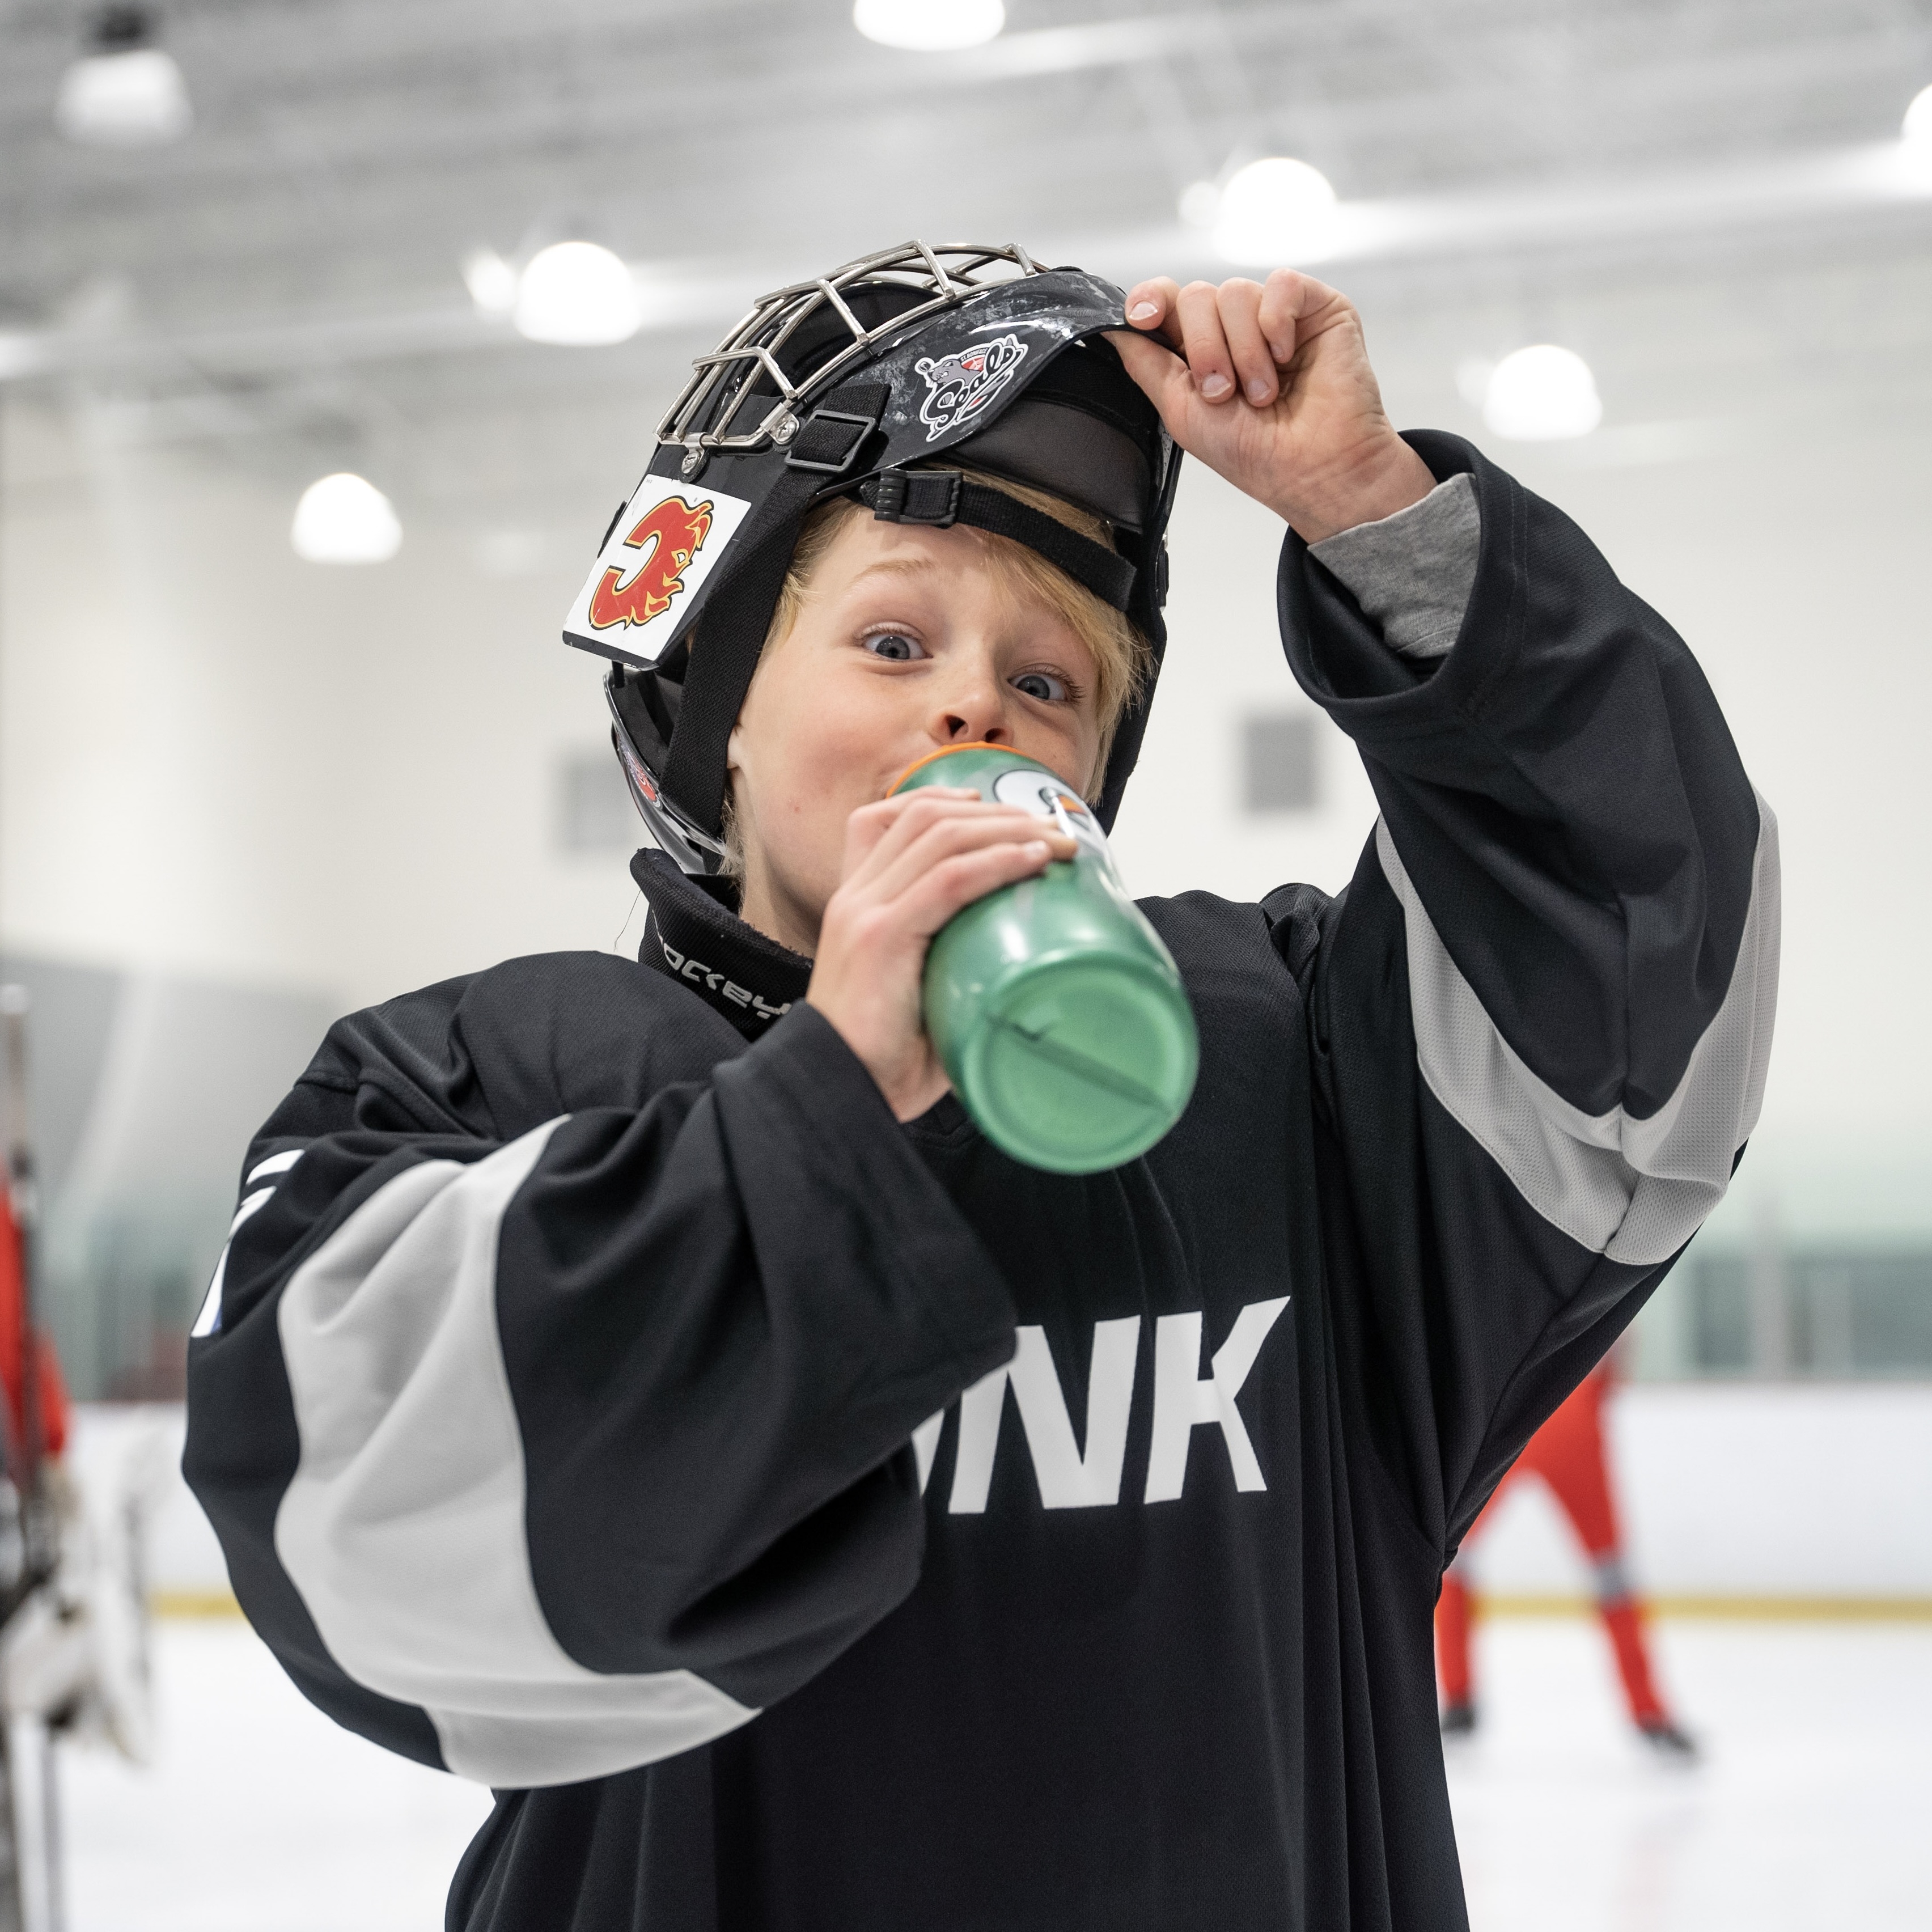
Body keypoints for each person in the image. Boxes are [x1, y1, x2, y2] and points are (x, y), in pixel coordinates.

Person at [181, 244, 1778, 1932]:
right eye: (888, 636)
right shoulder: (487, 1088)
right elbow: (363, 1545)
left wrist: (1376, 516)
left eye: (1048, 680)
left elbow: (1640, 963)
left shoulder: (1283, 1062)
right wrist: (830, 1096)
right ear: (717, 710)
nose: (971, 700)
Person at [1436, 1355, 1696, 1755]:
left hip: (1508, 1417)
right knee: (1612, 1575)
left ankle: (1459, 1700)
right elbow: (1618, 1360)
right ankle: (1650, 1713)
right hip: (1572, 1414)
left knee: (1456, 1557)